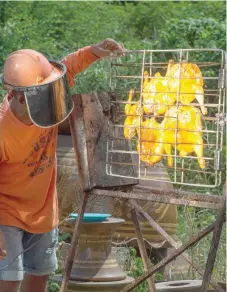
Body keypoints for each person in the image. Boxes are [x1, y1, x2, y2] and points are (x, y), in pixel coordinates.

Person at [0, 38, 124, 292]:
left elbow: (69, 66)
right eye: (44, 92)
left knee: (39, 275)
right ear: (22, 98)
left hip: (44, 211)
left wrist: (93, 51)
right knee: (9, 279)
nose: (50, 96)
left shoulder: (45, 95)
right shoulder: (3, 130)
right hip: (6, 213)